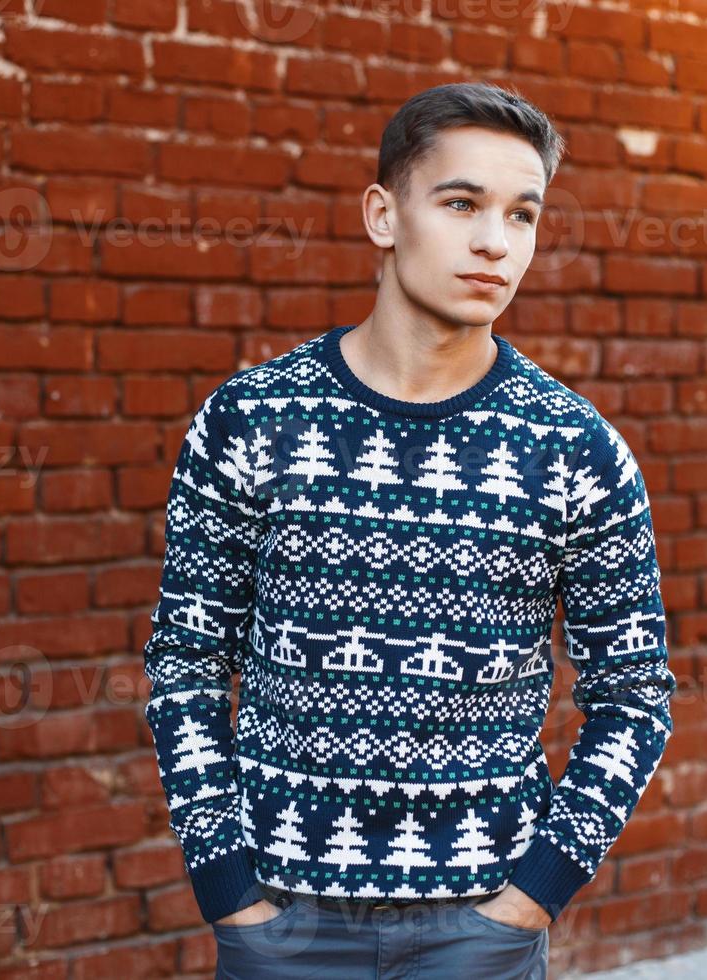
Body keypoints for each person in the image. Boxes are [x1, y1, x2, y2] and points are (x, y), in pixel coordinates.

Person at [142, 80, 677, 979]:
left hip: (481, 929)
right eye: (461, 203)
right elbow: (186, 665)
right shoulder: (254, 418)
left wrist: (529, 901)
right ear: (383, 216)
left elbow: (634, 696)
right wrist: (230, 891)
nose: (493, 243)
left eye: (523, 214)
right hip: (284, 925)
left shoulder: (575, 449)